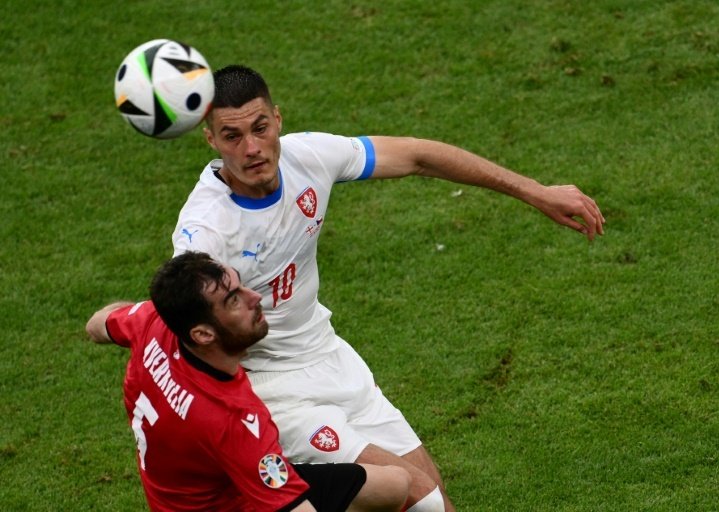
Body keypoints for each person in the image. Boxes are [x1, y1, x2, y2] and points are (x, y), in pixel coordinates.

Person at [172, 65, 605, 511]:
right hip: (272, 389)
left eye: (260, 128)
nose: (252, 148)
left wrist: (535, 191)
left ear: (278, 119)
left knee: (434, 497)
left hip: (330, 356)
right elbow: (180, 327)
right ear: (211, 140)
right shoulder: (205, 230)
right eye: (232, 136)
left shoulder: (311, 157)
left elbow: (418, 156)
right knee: (415, 496)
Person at [85, 251, 410, 512]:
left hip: (198, 488)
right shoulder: (234, 421)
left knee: (393, 486)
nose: (255, 297)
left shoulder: (155, 322)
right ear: (202, 334)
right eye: (233, 300)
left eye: (239, 286)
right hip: (234, 499)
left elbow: (97, 325)